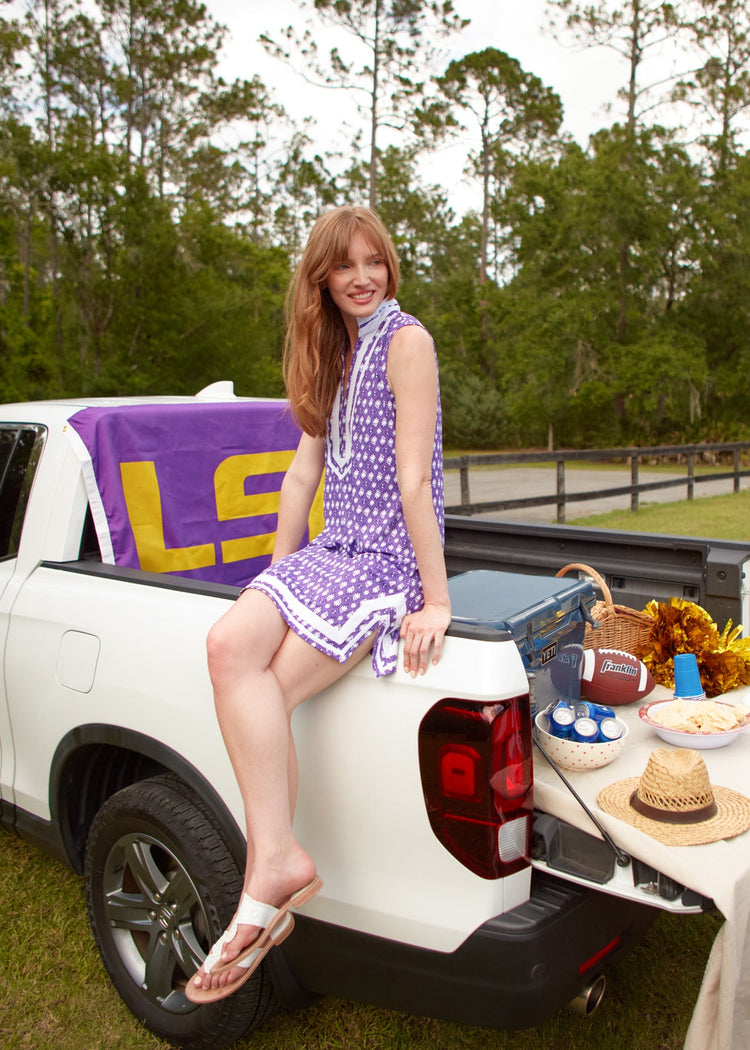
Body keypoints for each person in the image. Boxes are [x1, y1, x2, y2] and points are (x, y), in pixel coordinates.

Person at [186, 205, 450, 1003]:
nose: (364, 277)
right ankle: (279, 858)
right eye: (347, 266)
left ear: (389, 268)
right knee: (230, 646)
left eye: (376, 261)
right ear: (323, 280)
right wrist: (275, 582)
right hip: (330, 552)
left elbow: (412, 481)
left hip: (386, 559)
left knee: (267, 683)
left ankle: (269, 872)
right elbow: (303, 476)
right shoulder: (335, 354)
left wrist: (434, 599)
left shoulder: (409, 342)